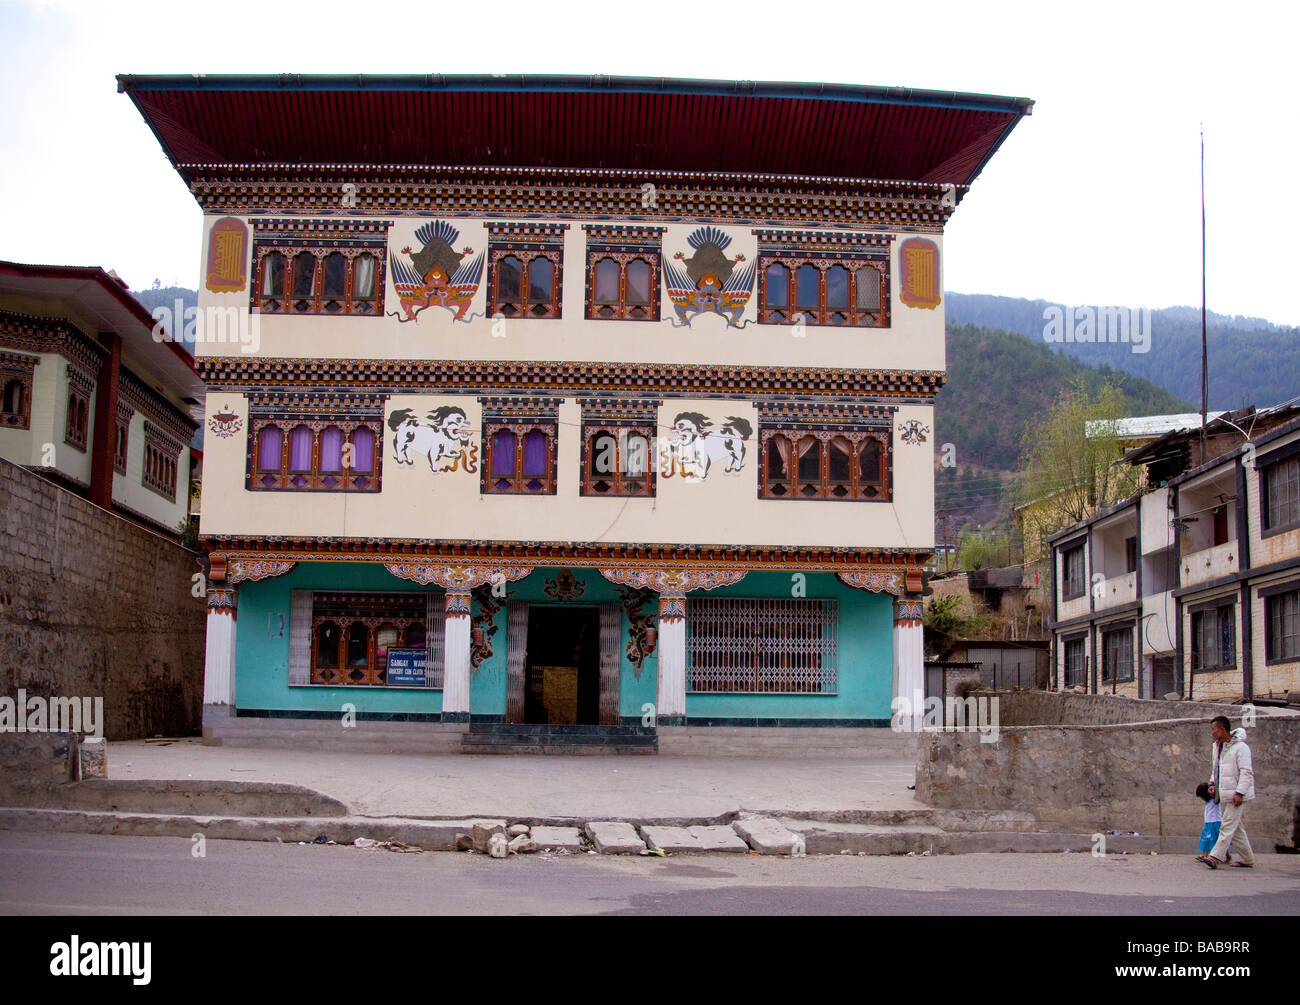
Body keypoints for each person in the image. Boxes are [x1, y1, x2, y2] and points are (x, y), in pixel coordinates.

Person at [1203, 716, 1255, 869]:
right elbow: (1216, 769)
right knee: (1236, 828)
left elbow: (1246, 772)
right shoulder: (1218, 747)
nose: (1212, 733)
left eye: (1214, 729)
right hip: (1225, 793)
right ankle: (1248, 858)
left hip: (1236, 795)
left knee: (1226, 825)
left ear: (1223, 729)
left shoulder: (1241, 748)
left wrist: (1240, 792)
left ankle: (1215, 857)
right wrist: (1212, 784)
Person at [1194, 781, 1221, 863]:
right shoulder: (1208, 801)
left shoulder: (1215, 799)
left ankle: (1221, 855)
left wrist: (1213, 788)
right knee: (1206, 839)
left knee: (1216, 840)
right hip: (1209, 823)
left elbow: (1218, 790)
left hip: (1215, 822)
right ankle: (1205, 856)